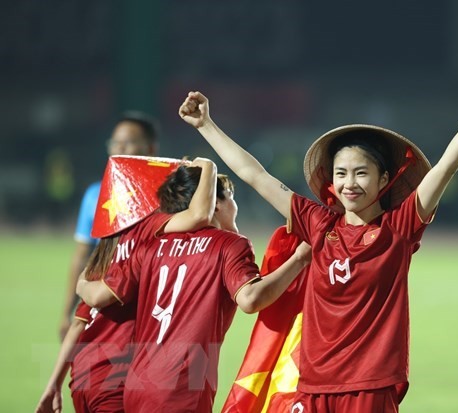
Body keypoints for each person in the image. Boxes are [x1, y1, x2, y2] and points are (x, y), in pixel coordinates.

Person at [179, 68, 458, 412]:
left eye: (361, 173)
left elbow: (445, 168)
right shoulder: (318, 224)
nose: (350, 183)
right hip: (312, 386)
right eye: (341, 173)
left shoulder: (399, 228)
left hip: (371, 386)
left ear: (384, 180)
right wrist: (206, 126)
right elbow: (255, 175)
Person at [75, 163, 311, 412]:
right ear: (215, 203)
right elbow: (250, 299)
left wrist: (82, 284)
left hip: (136, 387)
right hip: (184, 388)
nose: (235, 206)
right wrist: (300, 259)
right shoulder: (229, 245)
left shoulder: (151, 245)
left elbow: (100, 295)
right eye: (231, 197)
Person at [36, 155, 217, 413]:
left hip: (83, 375)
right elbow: (199, 215)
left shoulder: (109, 245)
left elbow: (79, 323)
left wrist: (53, 385)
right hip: (115, 376)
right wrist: (208, 166)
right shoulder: (147, 231)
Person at [59, 112, 160, 340]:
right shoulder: (96, 195)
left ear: (151, 148)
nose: (119, 148)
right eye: (115, 142)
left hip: (151, 308)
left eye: (129, 142)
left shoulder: (166, 195)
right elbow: (82, 256)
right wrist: (67, 313)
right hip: (106, 307)